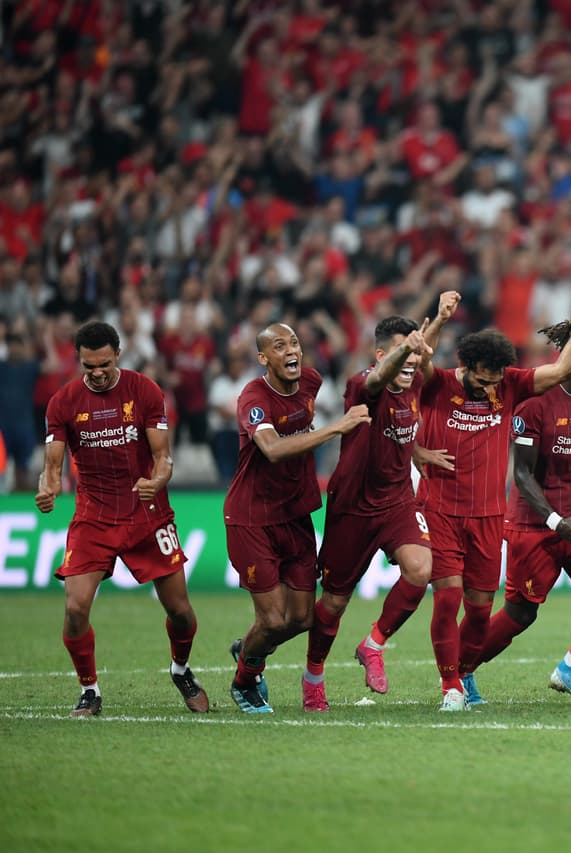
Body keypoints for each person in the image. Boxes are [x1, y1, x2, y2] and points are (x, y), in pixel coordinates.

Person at [418, 295, 571, 712]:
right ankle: (450, 687)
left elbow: (560, 370)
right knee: (447, 597)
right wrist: (439, 320)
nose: (489, 388)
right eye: (482, 380)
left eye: (495, 380)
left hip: (487, 516)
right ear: (465, 366)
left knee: (481, 612)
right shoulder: (438, 384)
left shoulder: (509, 385)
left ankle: (464, 673)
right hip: (440, 510)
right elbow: (420, 359)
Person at [36, 320, 210, 717]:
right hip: (94, 516)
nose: (97, 373)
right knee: (75, 609)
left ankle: (181, 669)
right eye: (89, 366)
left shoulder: (144, 391)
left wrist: (156, 481)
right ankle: (89, 690)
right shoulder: (63, 402)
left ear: (117, 354)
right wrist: (48, 488)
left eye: (104, 364)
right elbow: (52, 466)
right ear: (79, 361)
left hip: (147, 513)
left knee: (181, 613)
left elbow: (164, 457)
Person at [463, 318, 571, 709]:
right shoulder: (535, 400)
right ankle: (459, 668)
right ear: (567, 352)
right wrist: (555, 522)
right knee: (520, 614)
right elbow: (522, 475)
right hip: (533, 520)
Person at [303, 293, 460, 711]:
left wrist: (439, 320)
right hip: (353, 506)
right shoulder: (363, 386)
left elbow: (419, 358)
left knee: (421, 568)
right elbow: (380, 380)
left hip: (397, 502)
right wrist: (409, 349)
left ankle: (373, 644)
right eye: (401, 353)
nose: (411, 364)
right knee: (334, 602)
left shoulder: (414, 380)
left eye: (414, 354)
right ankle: (313, 676)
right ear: (380, 355)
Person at [225, 323, 371, 713]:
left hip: (295, 514)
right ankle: (245, 678)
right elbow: (272, 449)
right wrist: (335, 428)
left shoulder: (311, 381)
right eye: (279, 346)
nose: (290, 350)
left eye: (293, 343)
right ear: (263, 358)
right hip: (252, 518)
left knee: (304, 618)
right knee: (273, 620)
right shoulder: (253, 398)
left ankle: (248, 647)